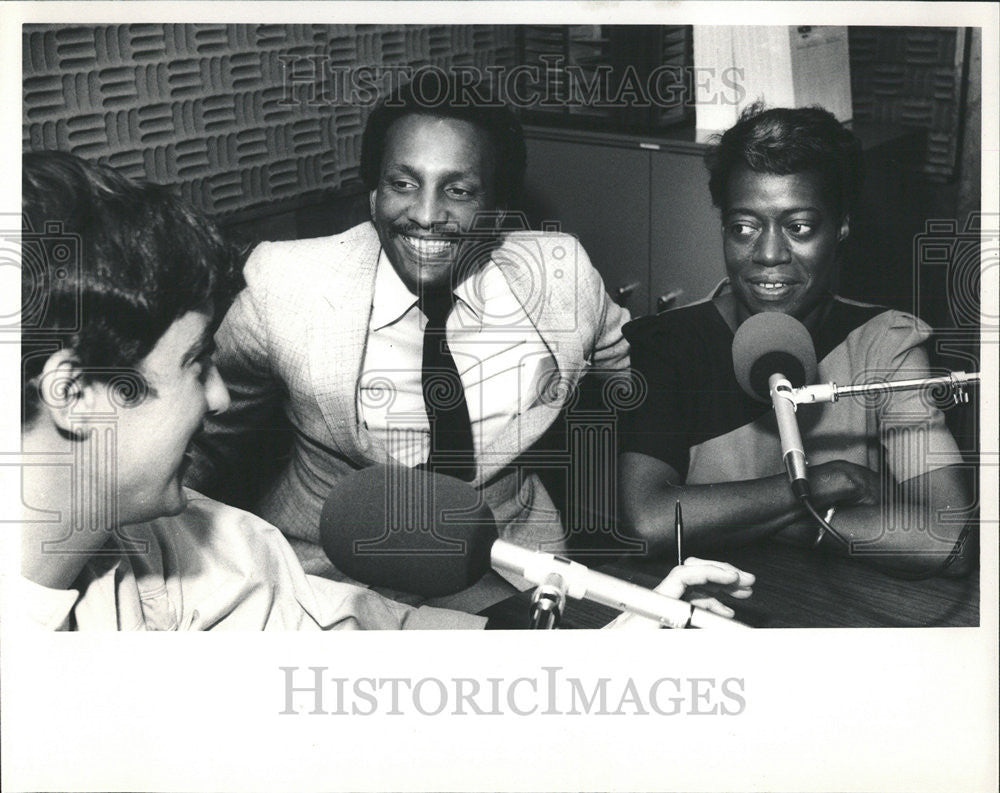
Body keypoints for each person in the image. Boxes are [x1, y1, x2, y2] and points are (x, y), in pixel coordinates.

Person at [185, 72, 631, 609]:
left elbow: (624, 374)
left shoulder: (560, 275)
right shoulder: (285, 285)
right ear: (373, 193)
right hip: (327, 575)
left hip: (512, 569)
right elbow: (205, 435)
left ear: (498, 207)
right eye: (403, 183)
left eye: (459, 190)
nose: (424, 215)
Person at [16, 150, 492, 629]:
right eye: (196, 362)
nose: (220, 397)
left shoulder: (163, 541)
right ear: (75, 395)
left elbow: (340, 626)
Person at [618, 103, 973, 575]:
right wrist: (832, 483)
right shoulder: (669, 343)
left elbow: (951, 539)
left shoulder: (887, 343)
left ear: (842, 225)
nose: (767, 254)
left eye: (798, 226)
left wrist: (769, 520)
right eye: (744, 227)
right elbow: (650, 521)